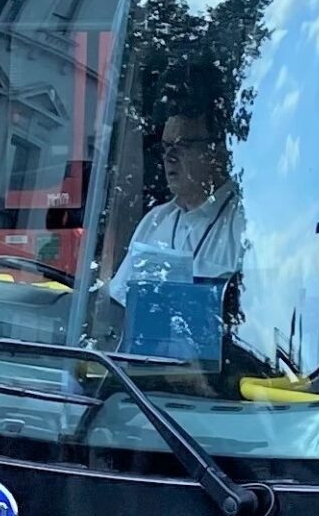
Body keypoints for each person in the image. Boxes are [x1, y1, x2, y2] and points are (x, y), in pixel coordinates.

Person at [106, 97, 248, 357]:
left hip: (220, 385)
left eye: (182, 145)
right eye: (165, 147)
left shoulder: (244, 224)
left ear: (215, 151)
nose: (169, 157)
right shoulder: (154, 221)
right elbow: (119, 311)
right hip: (142, 382)